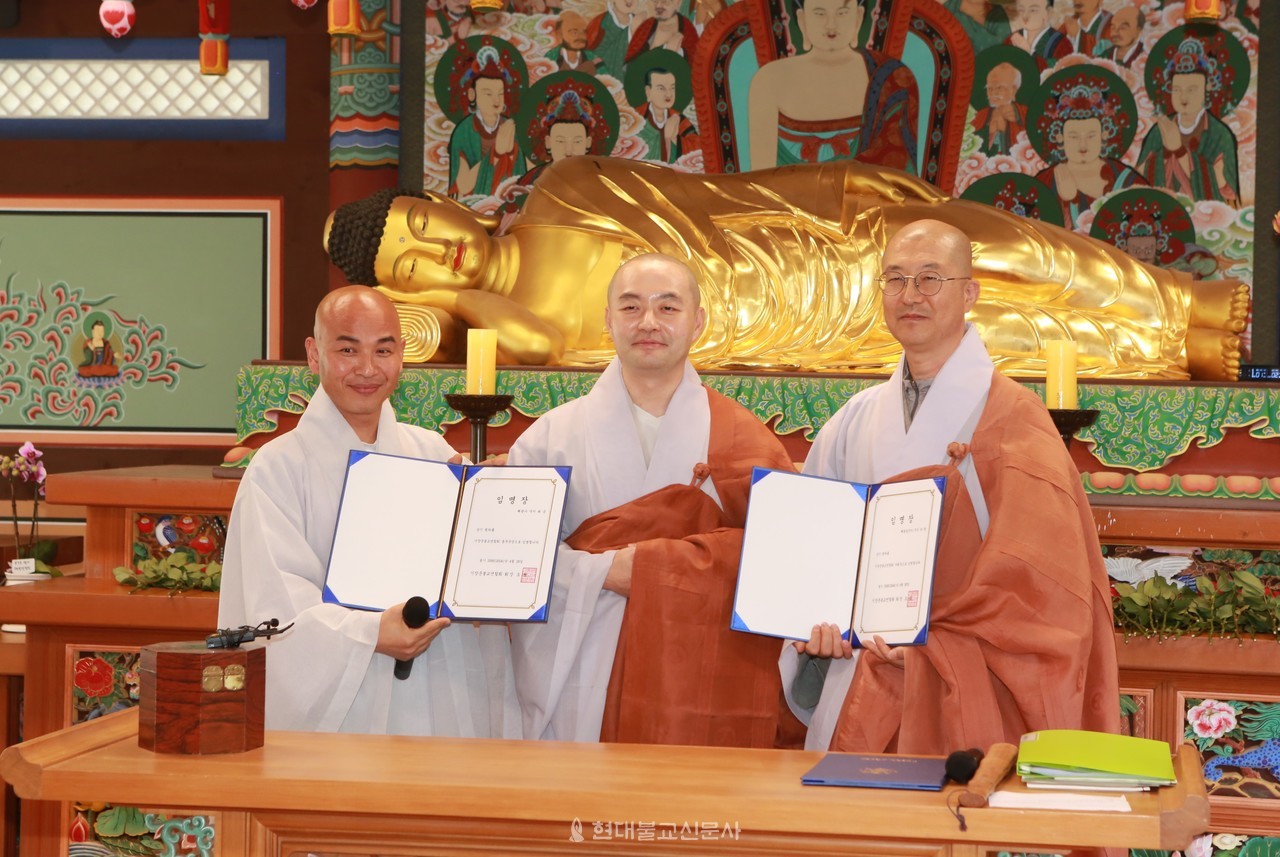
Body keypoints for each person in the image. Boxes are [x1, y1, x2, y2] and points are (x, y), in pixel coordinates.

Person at [323, 157, 1249, 381]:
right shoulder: (500, 319)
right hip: (797, 328)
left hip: (801, 243)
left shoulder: (564, 188)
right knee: (1015, 336)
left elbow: (711, 195)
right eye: (416, 262)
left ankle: (1191, 301)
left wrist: (837, 186)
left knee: (1008, 250)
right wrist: (447, 299)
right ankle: (1176, 349)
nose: (438, 245)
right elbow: (533, 345)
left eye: (420, 220)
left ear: (443, 198)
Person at [782, 220, 1121, 754]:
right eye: (895, 279)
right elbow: (811, 552)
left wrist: (936, 647)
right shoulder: (855, 419)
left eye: (929, 279)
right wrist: (811, 629)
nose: (910, 295)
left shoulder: (1015, 420)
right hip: (855, 686)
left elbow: (1043, 596)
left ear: (970, 293)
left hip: (961, 696)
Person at [507, 253, 800, 747]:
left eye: (668, 308)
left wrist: (652, 569)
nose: (648, 323)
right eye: (630, 307)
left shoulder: (742, 439)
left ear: (698, 322)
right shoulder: (552, 437)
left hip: (696, 676)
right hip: (582, 671)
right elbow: (509, 562)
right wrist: (606, 573)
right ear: (607, 320)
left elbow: (785, 564)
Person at [217, 286, 517, 737]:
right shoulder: (278, 468)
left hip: (437, 692)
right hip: (341, 707)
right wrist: (372, 634)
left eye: (384, 349)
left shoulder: (434, 454)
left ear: (402, 357)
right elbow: (274, 607)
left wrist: (495, 505)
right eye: (347, 349)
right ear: (314, 355)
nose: (367, 368)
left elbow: (472, 574)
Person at [748, 0, 919, 172]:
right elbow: (758, 182)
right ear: (802, 19)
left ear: (858, 17)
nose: (831, 25)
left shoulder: (892, 78)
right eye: (820, 13)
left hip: (864, 199)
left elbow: (899, 183)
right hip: (783, 198)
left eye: (842, 13)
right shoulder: (769, 79)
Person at [635, 67, 698, 163]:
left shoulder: (679, 120)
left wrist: (673, 139)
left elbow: (696, 148)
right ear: (648, 91)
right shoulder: (636, 118)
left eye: (672, 88)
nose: (668, 94)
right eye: (661, 88)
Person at [971, 62, 1027, 156]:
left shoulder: (1025, 114)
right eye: (989, 89)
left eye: (1000, 88)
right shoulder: (980, 116)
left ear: (1013, 89)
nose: (993, 93)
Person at [1007, 0, 1070, 71]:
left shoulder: (1062, 43)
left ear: (1048, 13)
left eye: (1033, 10)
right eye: (1021, 9)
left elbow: (1059, 72)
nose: (1025, 16)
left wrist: (1029, 53)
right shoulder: (1011, 39)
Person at [1102, 4, 1143, 69]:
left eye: (1123, 27)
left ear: (1138, 30)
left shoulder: (1146, 56)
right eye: (1113, 27)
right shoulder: (1103, 56)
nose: (1115, 32)